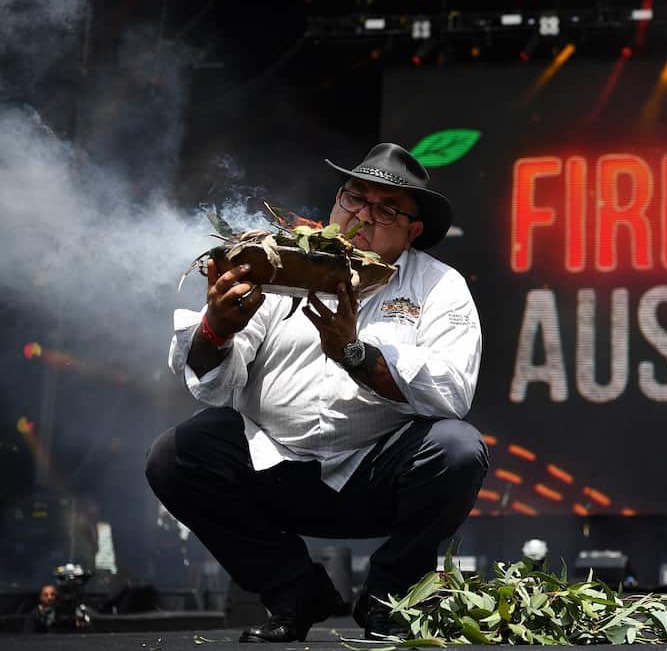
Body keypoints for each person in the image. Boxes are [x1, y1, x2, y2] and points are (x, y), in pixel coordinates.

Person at [146, 143, 489, 643]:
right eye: (354, 198)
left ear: (413, 231)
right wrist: (216, 329)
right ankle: (294, 591)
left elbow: (452, 392)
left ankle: (388, 598)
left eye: (386, 210)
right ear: (336, 201)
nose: (362, 216)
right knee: (174, 456)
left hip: (374, 478)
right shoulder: (279, 261)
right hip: (273, 468)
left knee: (457, 449)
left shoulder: (440, 286)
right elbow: (216, 385)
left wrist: (355, 353)